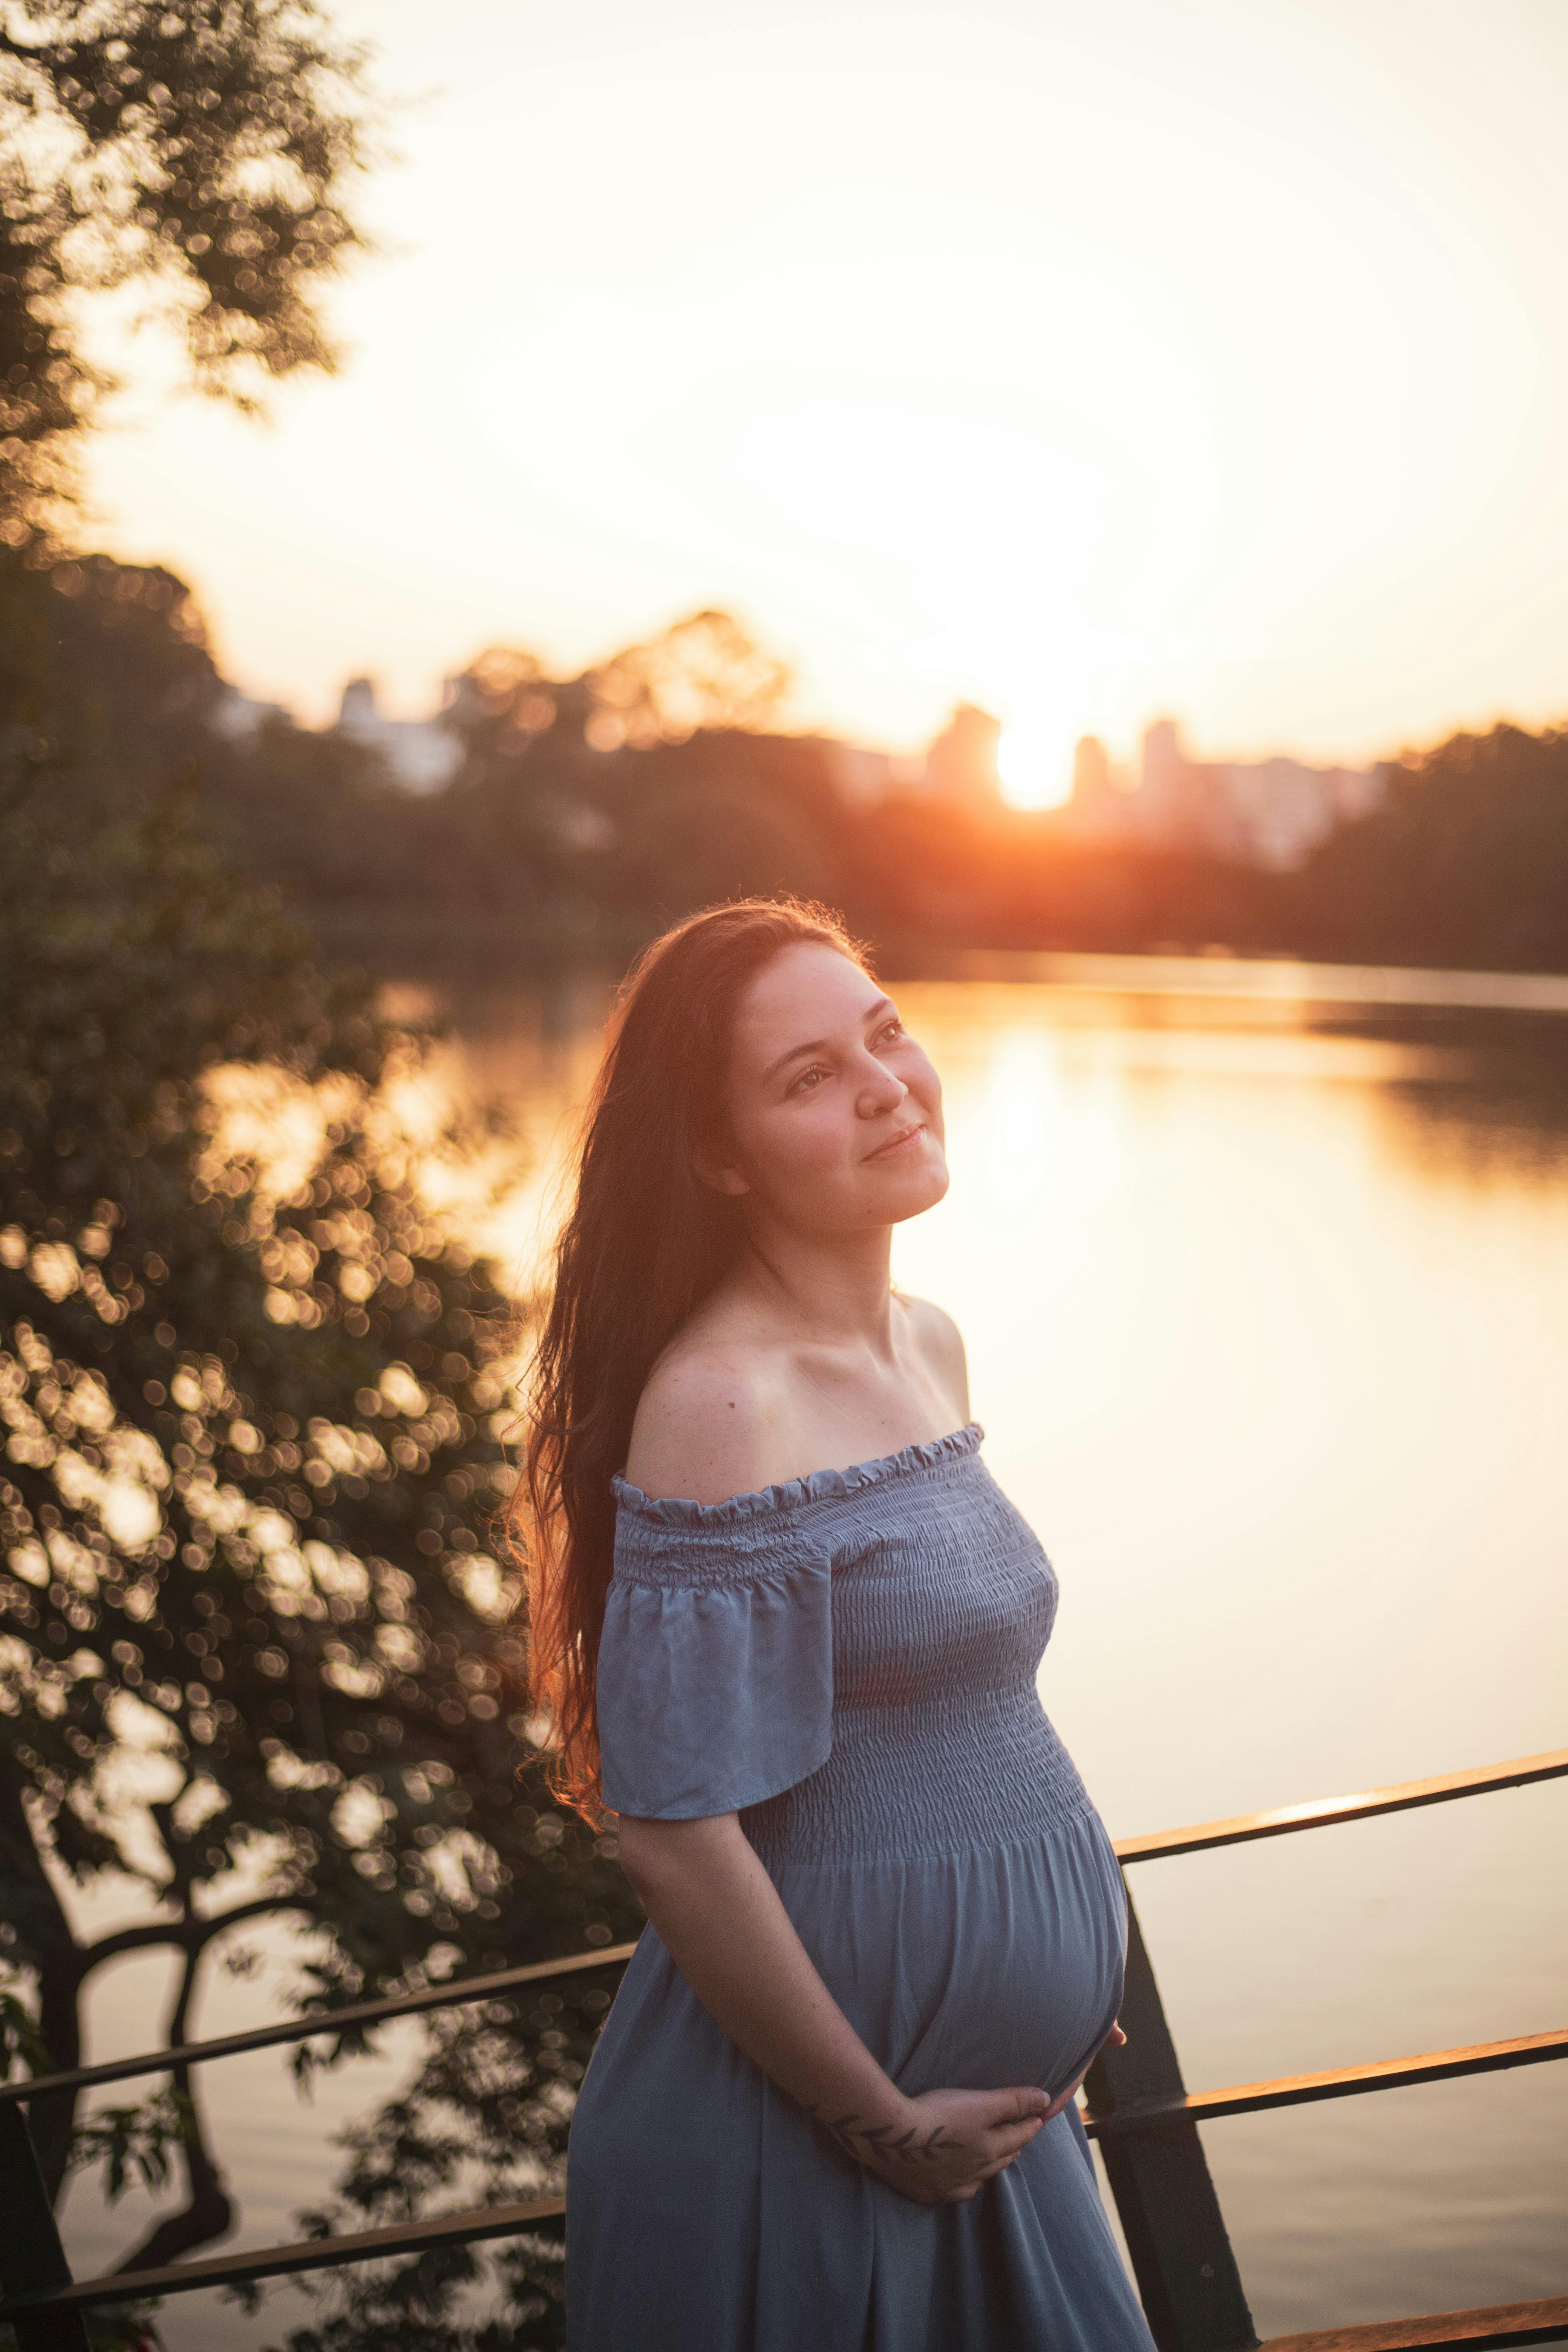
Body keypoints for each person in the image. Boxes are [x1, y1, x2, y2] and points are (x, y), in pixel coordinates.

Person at [515, 897, 1155, 2350]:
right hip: (826, 2138)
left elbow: (952, 1711)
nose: (884, 1086)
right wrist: (880, 2122)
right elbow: (673, 1835)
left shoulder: (927, 1340)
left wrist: (1049, 1983)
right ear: (717, 1156)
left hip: (988, 2124)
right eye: (809, 1077)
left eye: (885, 1034)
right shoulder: (723, 1404)